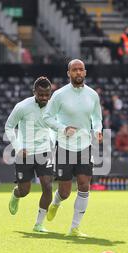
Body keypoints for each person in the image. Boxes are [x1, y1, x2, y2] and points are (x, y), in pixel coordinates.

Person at [43, 59, 103, 237]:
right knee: (65, 191)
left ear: (85, 72)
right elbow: (47, 117)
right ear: (68, 73)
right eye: (74, 70)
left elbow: (97, 118)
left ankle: (75, 227)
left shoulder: (92, 95)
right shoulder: (60, 95)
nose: (78, 72)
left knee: (85, 185)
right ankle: (55, 203)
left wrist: (98, 130)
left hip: (85, 146)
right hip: (64, 146)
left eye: (81, 69)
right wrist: (63, 129)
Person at [5, 77, 55, 232]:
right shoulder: (22, 106)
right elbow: (9, 126)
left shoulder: (54, 107)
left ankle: (39, 224)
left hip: (44, 152)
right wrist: (18, 147)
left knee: (47, 187)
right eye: (41, 95)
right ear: (34, 92)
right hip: (24, 153)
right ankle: (16, 194)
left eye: (47, 95)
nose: (44, 98)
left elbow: (55, 127)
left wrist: (51, 143)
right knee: (25, 191)